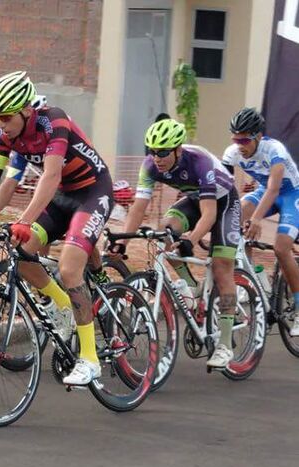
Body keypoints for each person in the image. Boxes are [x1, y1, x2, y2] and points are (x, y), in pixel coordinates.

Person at [0, 71, 114, 385]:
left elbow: (50, 176)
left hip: (93, 191)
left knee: (69, 269)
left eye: (5, 117)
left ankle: (90, 359)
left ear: (26, 111)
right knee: (20, 254)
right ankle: (64, 305)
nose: (0, 124)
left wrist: (25, 220)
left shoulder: (54, 122)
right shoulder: (6, 136)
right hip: (63, 197)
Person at [113, 117, 241, 368]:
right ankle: (192, 287)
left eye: (162, 152)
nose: (156, 157)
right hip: (195, 200)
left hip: (224, 204)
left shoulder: (199, 162)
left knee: (221, 267)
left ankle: (225, 344)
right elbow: (139, 208)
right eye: (152, 151)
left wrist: (191, 240)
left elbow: (210, 215)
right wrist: (123, 242)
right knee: (165, 234)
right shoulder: (150, 166)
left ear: (178, 150)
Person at [222, 107, 299, 336]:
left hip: (291, 194)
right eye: (236, 139)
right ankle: (250, 275)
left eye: (244, 139)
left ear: (257, 136)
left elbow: (275, 189)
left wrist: (256, 219)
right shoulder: (232, 153)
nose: (240, 145)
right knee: (233, 220)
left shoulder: (275, 149)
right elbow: (226, 192)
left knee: (281, 248)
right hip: (264, 191)